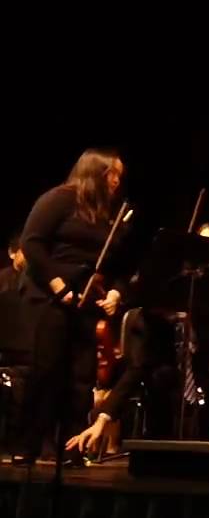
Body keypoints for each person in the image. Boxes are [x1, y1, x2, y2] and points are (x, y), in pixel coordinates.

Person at [14, 148, 126, 466]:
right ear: (95, 172)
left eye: (119, 175)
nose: (117, 180)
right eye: (112, 173)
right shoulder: (59, 199)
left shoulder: (109, 212)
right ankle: (30, 444)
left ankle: (71, 446)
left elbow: (116, 261)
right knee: (47, 371)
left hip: (84, 301)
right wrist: (58, 285)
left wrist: (116, 291)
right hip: (48, 296)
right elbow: (32, 243)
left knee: (81, 375)